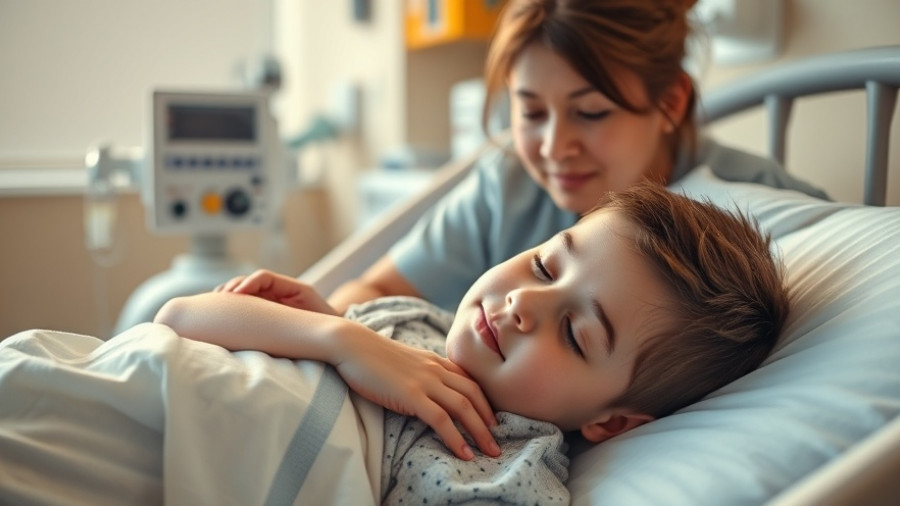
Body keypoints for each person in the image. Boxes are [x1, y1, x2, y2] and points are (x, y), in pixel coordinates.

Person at [154, 183, 789, 504]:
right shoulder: (406, 324)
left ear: (614, 420)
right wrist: (332, 334)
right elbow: (177, 319)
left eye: (574, 332)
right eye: (544, 267)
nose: (522, 304)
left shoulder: (506, 471)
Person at [326, 0, 827, 315]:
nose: (552, 148)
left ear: (671, 102)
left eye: (590, 112)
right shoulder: (509, 186)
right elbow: (368, 291)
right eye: (531, 112)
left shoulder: (761, 212)